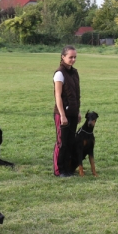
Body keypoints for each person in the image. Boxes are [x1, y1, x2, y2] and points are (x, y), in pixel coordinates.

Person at [53, 46, 81, 177]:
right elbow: (58, 95)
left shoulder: (74, 73)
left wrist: (78, 111)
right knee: (62, 142)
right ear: (63, 57)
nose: (73, 59)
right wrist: (62, 115)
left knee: (70, 142)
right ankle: (59, 170)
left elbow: (75, 94)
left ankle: (68, 168)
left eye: (75, 57)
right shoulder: (59, 73)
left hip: (73, 112)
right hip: (62, 113)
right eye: (70, 57)